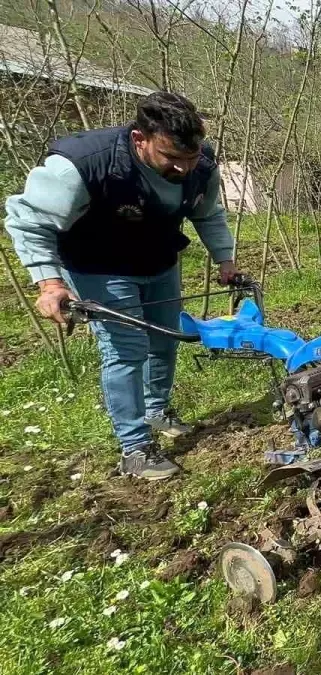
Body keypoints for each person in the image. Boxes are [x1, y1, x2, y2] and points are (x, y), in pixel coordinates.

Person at [4, 91, 239, 480]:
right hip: (100, 267)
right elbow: (29, 221)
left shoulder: (201, 164)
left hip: (159, 261)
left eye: (190, 158)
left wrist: (226, 261)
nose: (183, 168)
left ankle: (156, 410)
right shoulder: (84, 164)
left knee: (167, 340)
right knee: (126, 350)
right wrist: (49, 283)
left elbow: (207, 213)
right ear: (139, 140)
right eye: (171, 158)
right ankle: (134, 447)